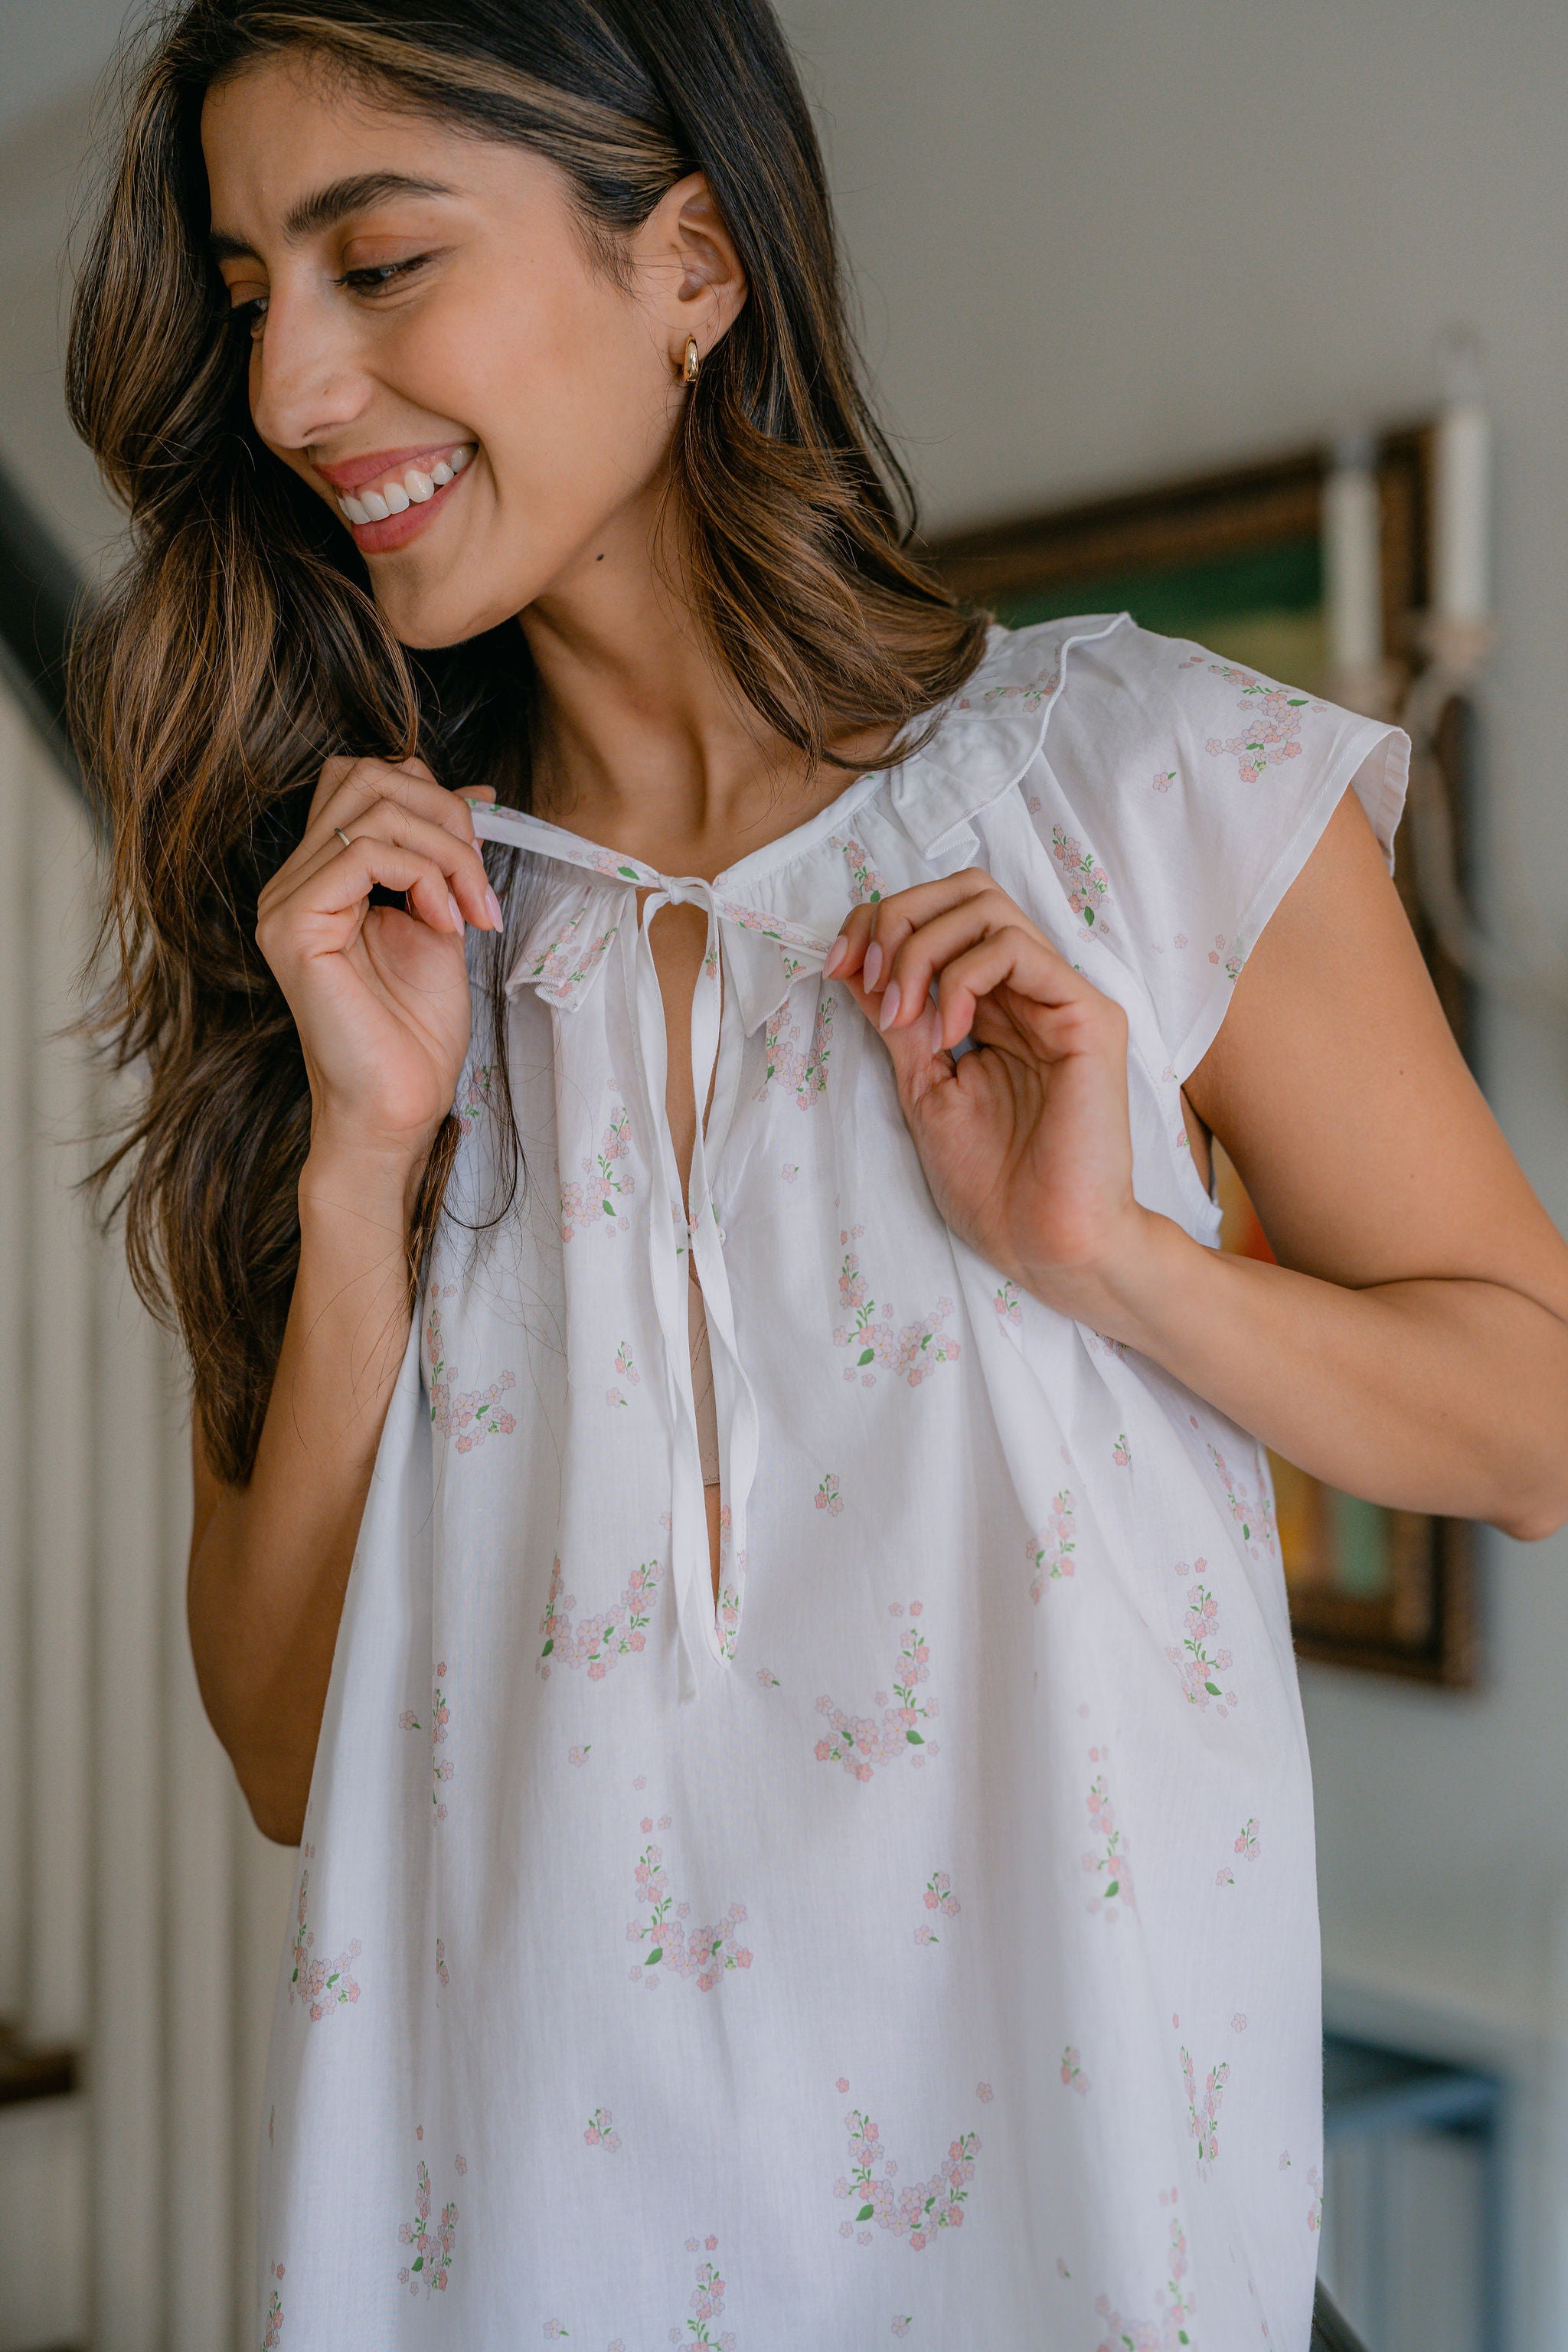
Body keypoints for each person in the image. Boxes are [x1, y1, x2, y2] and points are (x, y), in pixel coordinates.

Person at [67, 2, 1568, 2344]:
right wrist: (365, 1159)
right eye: (256, 297)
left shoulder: (1142, 788)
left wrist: (1109, 1260)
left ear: (690, 263)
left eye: (381, 263)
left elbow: (1531, 1422)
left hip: (1087, 2263)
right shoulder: (351, 943)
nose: (290, 391)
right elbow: (285, 1752)